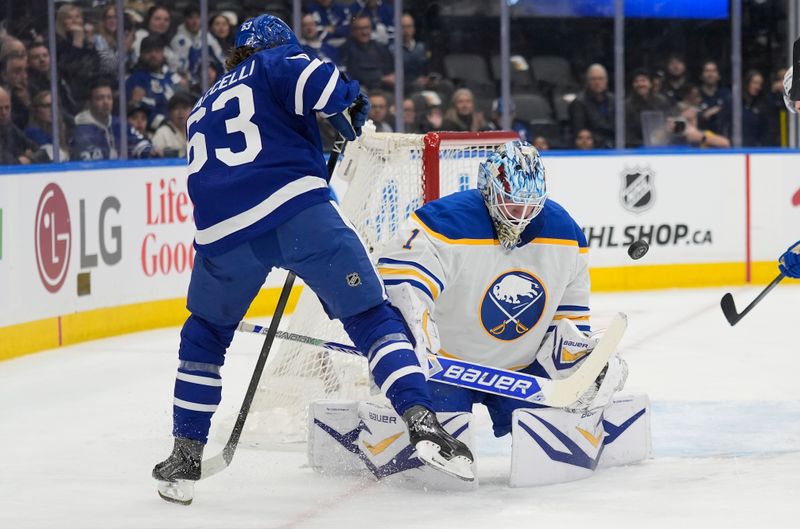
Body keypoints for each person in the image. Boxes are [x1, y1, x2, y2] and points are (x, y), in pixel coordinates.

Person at [151, 14, 473, 505]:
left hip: (222, 235)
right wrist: (351, 99)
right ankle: (421, 419)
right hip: (297, 213)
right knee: (369, 316)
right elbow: (324, 86)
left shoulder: (200, 106)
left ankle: (185, 452)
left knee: (204, 334)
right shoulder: (274, 60)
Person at [309, 141, 641, 487]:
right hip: (448, 367)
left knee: (558, 447)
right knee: (436, 465)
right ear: (489, 190)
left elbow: (569, 320)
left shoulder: (565, 233)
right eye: (512, 204)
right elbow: (403, 286)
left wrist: (582, 359)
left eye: (530, 206)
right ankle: (364, 429)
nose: (521, 217)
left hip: (520, 370)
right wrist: (417, 331)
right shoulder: (443, 222)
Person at [70, 78, 156, 160]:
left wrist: (150, 151)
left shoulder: (119, 124)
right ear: (90, 103)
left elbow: (140, 143)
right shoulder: (82, 131)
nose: (106, 102)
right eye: (100, 98)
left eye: (109, 97)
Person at [569, 64, 614, 148]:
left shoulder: (614, 101)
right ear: (588, 81)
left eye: (601, 79)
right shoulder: (579, 103)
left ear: (606, 80)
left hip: (614, 145)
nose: (597, 82)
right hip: (592, 148)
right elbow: (580, 132)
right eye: (593, 79)